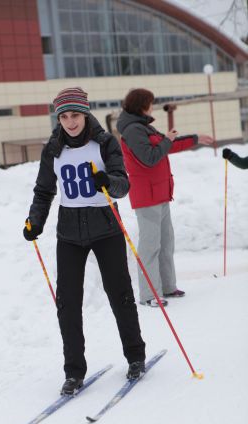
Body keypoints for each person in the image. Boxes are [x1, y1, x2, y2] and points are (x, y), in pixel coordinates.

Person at [23, 87, 146, 395]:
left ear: (85, 113)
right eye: (63, 117)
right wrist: (34, 221)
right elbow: (44, 190)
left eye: (75, 115)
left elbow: (123, 185)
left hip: (106, 228)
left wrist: (109, 182)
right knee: (67, 303)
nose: (70, 122)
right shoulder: (53, 148)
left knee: (120, 295)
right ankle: (74, 372)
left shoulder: (104, 143)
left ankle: (135, 356)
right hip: (69, 234)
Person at [117, 88, 213, 307]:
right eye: (150, 103)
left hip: (159, 193)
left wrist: (196, 139)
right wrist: (167, 141)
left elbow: (167, 144)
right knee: (150, 246)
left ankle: (167, 287)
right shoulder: (133, 130)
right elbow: (150, 158)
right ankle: (150, 294)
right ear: (142, 105)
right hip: (146, 196)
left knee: (165, 243)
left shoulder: (143, 126)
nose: (153, 106)